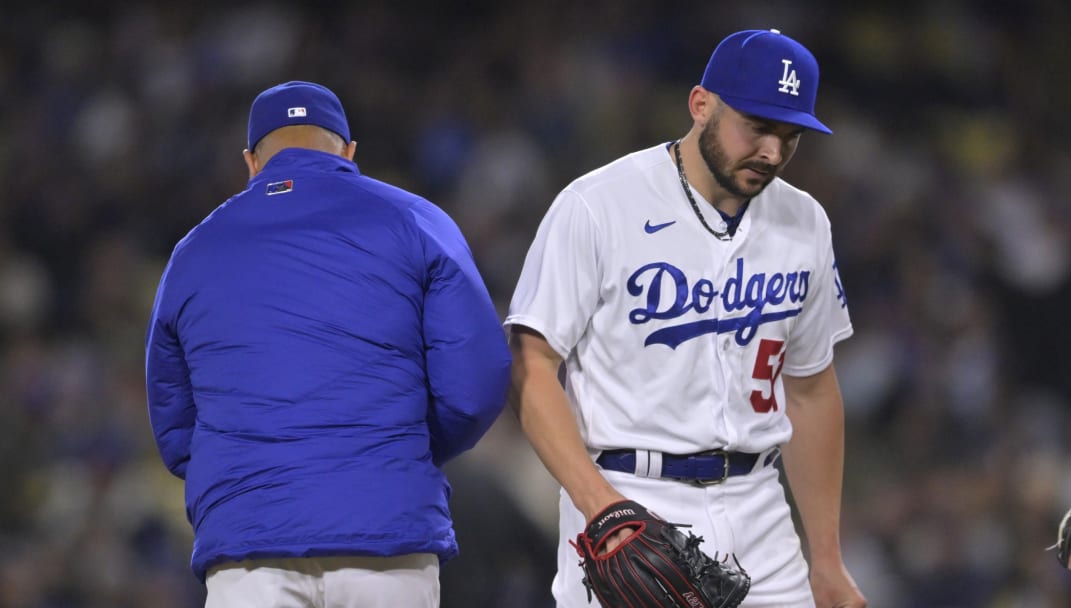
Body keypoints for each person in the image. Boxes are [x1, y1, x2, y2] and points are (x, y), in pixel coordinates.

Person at [506, 29, 867, 607]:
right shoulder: (598, 205)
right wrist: (602, 509)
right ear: (701, 105)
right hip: (628, 498)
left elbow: (811, 389)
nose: (773, 152)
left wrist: (826, 559)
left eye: (790, 135)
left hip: (762, 512)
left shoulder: (806, 222)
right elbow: (531, 365)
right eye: (757, 127)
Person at [145, 80, 511, 607]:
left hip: (248, 549)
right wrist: (395, 445)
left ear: (251, 161)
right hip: (386, 538)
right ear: (348, 152)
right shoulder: (418, 221)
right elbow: (475, 384)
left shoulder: (194, 251)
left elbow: (175, 424)